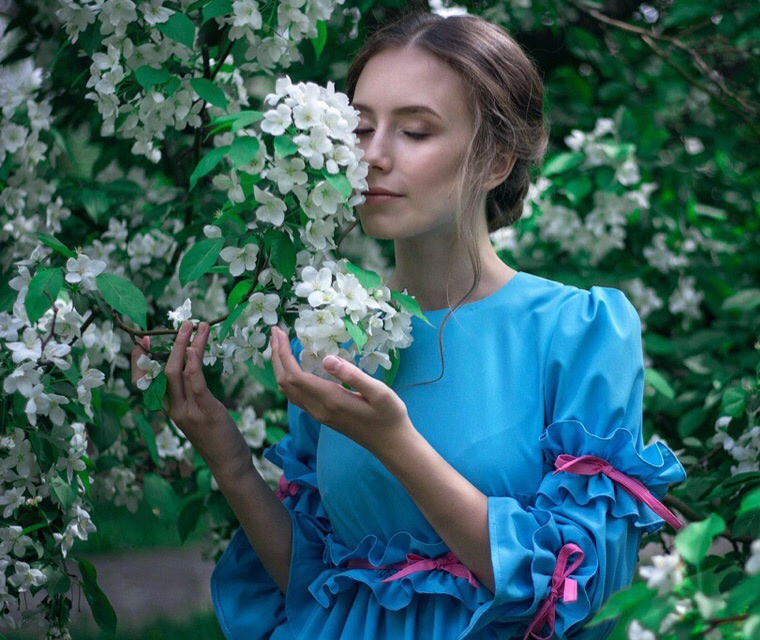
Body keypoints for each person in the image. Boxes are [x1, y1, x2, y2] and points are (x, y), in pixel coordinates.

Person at [131, 11, 686, 640]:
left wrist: (395, 442)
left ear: (496, 159)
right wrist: (225, 455)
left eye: (415, 132)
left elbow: (579, 591)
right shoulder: (336, 330)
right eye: (361, 127)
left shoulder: (577, 331)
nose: (373, 155)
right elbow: (318, 590)